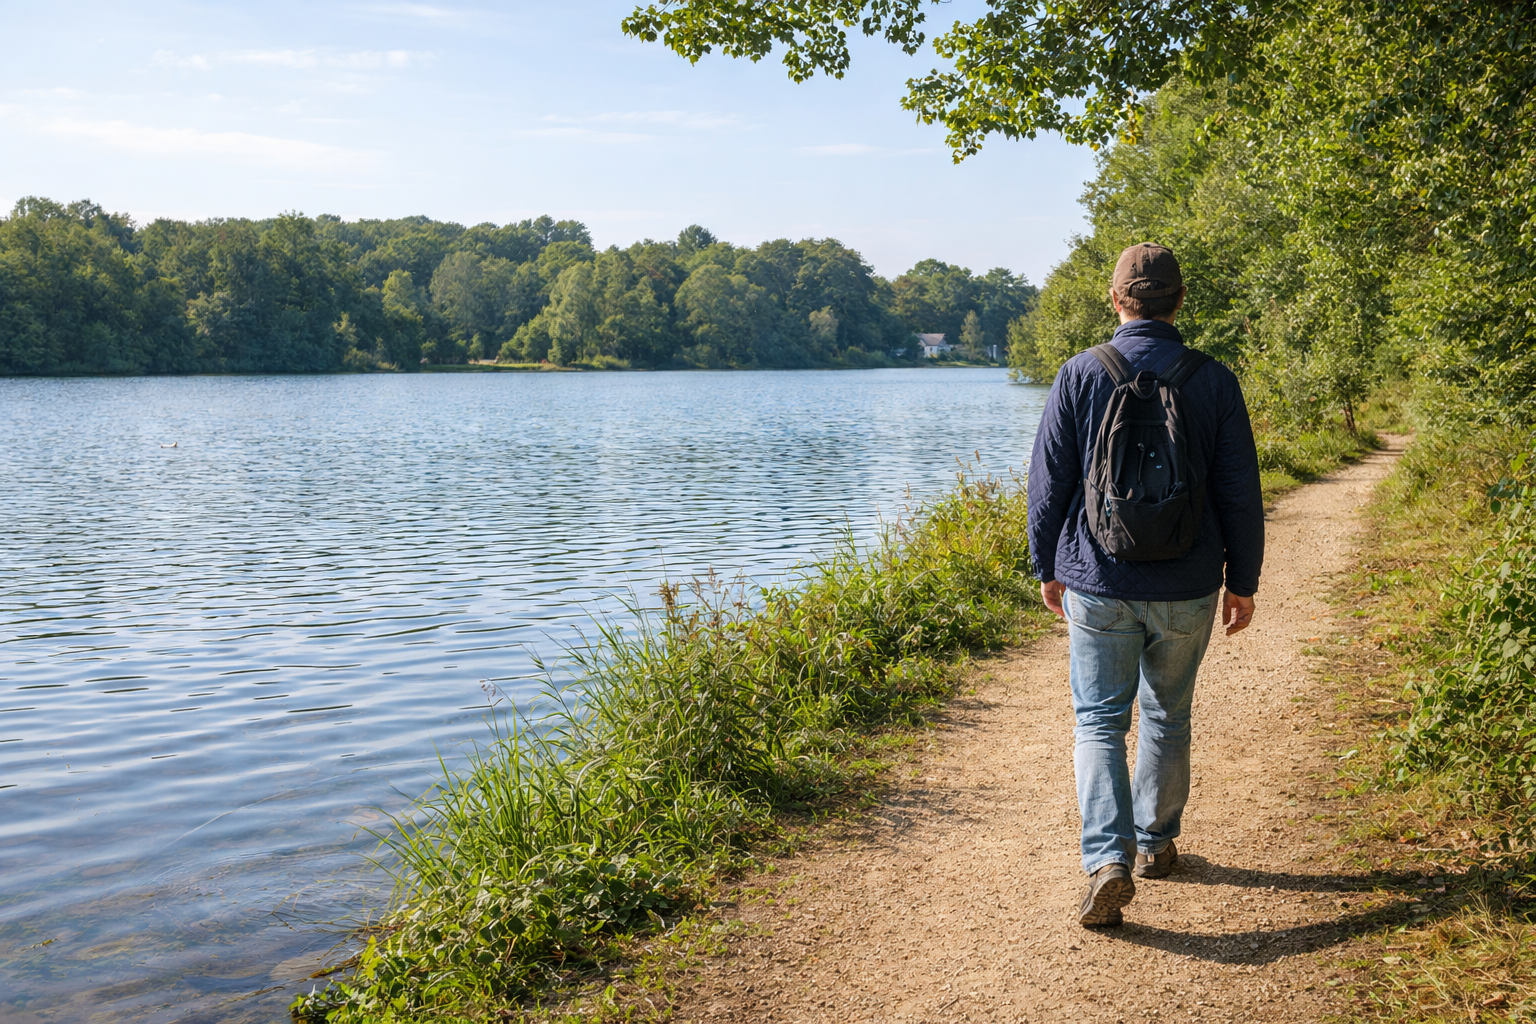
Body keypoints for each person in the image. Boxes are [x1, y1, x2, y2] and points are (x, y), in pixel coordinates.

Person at [1026, 243, 1264, 927]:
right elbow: (1240, 493)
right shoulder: (1213, 379)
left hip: (1098, 580)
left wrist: (1048, 565)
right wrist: (1241, 581)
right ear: (1179, 302)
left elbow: (1048, 485)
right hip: (1188, 581)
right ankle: (1157, 846)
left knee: (1099, 721)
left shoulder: (1080, 374)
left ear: (1116, 300)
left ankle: (1108, 859)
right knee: (1167, 714)